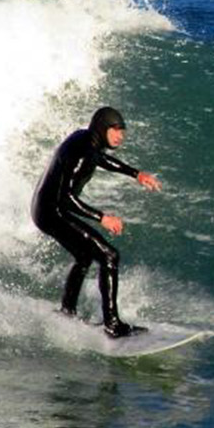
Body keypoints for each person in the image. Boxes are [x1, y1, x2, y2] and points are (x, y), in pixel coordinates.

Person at [31, 106, 162, 338]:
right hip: (52, 211)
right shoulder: (82, 153)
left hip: (44, 207)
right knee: (109, 255)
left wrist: (136, 174)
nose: (120, 136)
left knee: (84, 256)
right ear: (102, 129)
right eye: (115, 130)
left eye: (122, 131)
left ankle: (67, 310)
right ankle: (112, 324)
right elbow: (67, 198)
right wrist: (103, 217)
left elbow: (101, 159)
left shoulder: (86, 140)